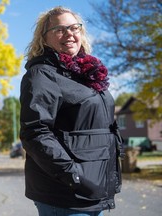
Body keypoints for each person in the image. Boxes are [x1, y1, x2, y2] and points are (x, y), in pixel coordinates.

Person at [19, 6, 124, 216]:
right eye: (60, 29)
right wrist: (73, 175)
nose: (69, 33)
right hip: (66, 193)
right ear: (44, 38)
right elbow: (35, 133)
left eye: (74, 28)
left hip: (94, 188)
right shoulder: (42, 75)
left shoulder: (87, 75)